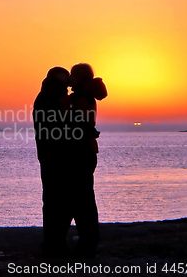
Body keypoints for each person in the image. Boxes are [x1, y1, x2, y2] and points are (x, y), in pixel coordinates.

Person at [33, 67, 73, 257]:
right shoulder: (51, 99)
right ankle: (54, 244)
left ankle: (54, 243)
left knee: (53, 201)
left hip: (49, 155)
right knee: (57, 201)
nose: (67, 86)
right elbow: (61, 126)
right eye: (64, 83)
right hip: (55, 155)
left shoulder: (44, 97)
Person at [68, 63, 107, 258]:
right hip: (87, 150)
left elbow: (79, 124)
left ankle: (87, 242)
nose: (69, 78)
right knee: (84, 198)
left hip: (80, 151)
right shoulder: (87, 97)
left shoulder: (80, 98)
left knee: (82, 200)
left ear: (80, 78)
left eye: (72, 75)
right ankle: (87, 240)